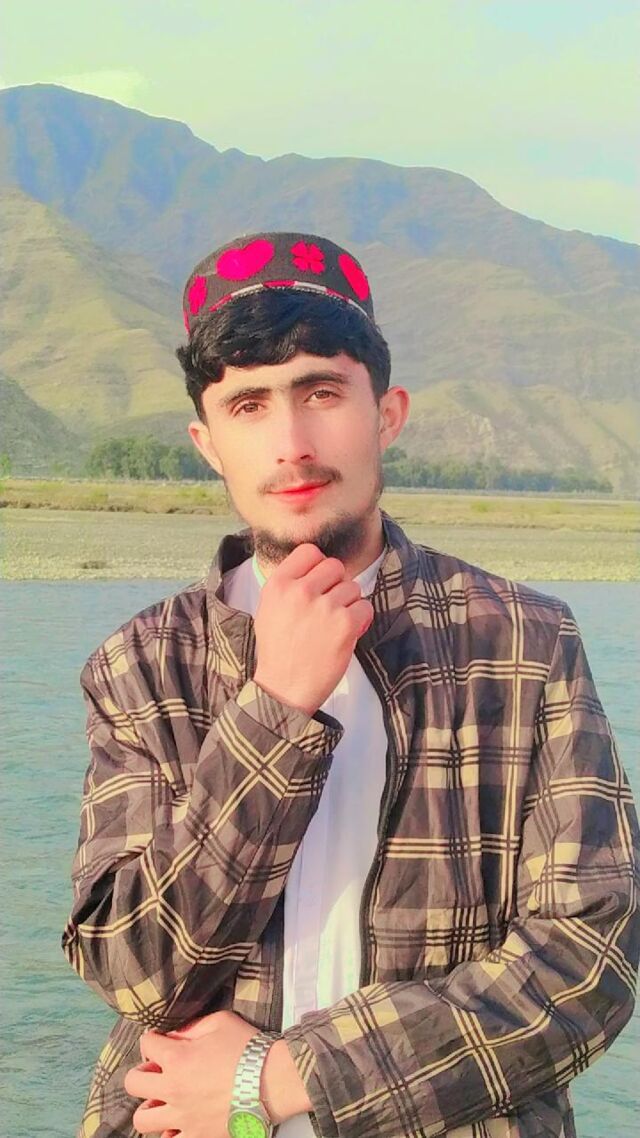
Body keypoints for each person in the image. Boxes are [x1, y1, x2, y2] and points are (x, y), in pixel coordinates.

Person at [62, 231, 639, 1138]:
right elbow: (136, 972)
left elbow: (589, 959)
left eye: (322, 393)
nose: (291, 444)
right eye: (248, 405)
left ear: (387, 414)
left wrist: (276, 1077)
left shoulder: (524, 642)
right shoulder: (141, 664)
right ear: (208, 443)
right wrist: (274, 709)